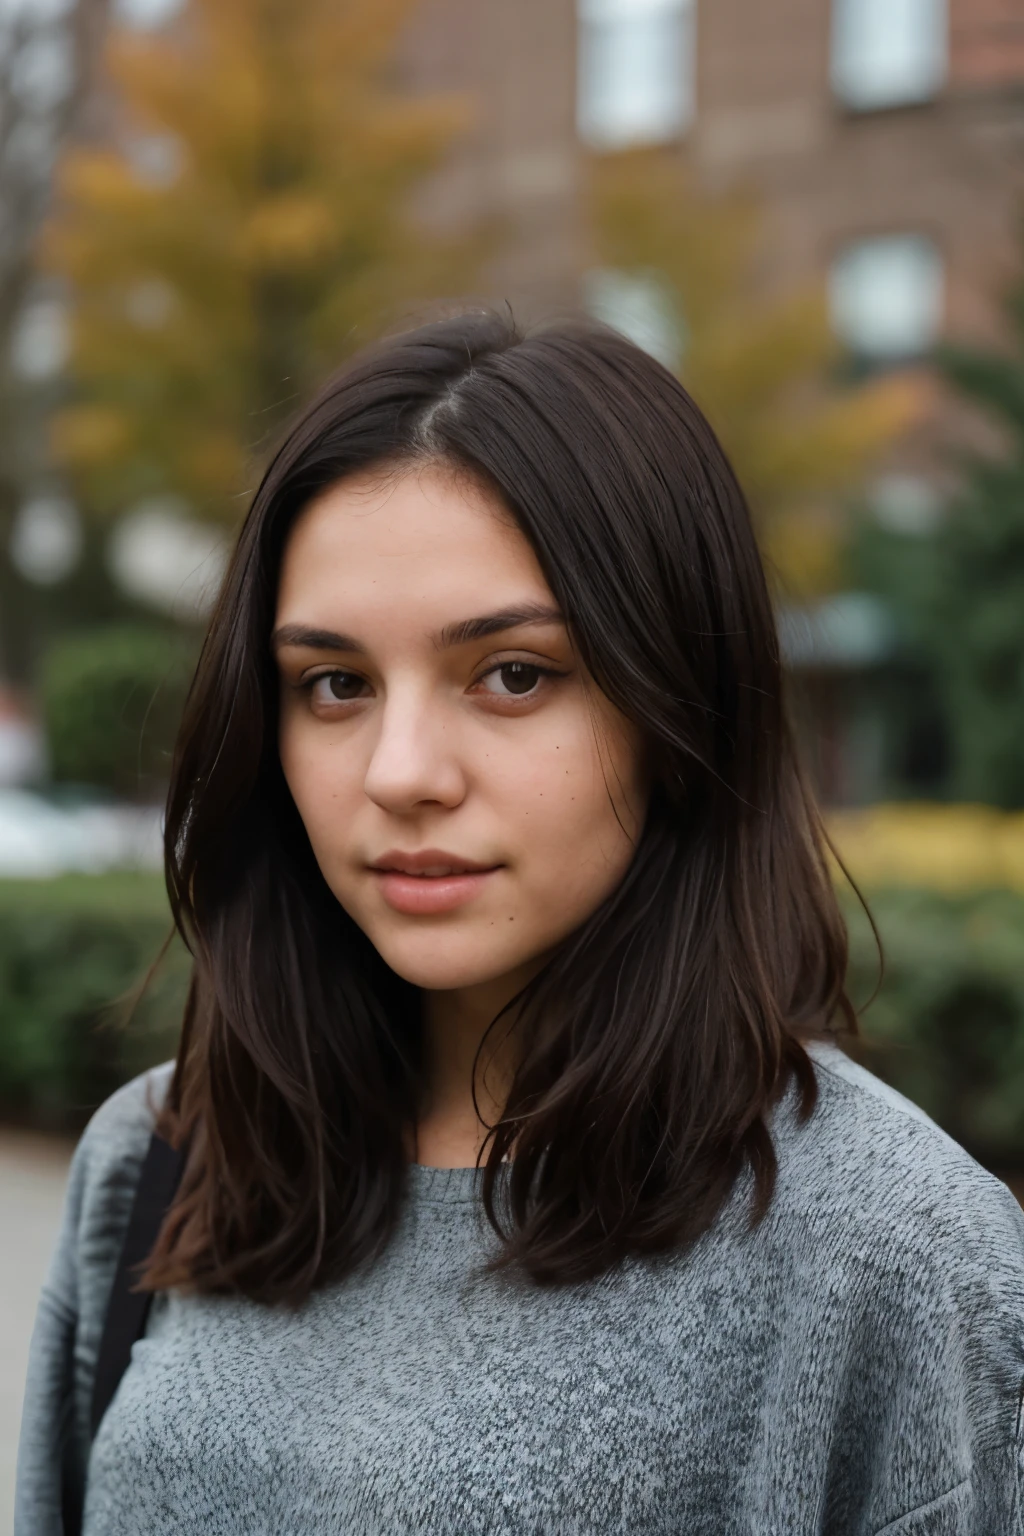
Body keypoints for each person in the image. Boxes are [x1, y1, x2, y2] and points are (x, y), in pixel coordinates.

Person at [15, 312, 1024, 1535]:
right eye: (334, 685)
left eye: (512, 674)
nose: (400, 772)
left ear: (678, 703)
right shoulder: (164, 1159)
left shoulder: (887, 1253)